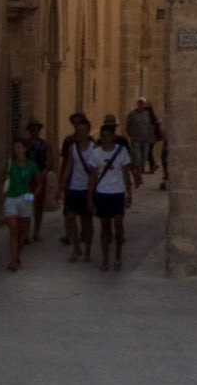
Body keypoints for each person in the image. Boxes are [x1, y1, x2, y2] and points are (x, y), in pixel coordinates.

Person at [87, 119, 136, 271]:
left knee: (119, 224)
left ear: (113, 136)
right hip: (102, 193)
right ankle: (105, 258)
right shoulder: (95, 154)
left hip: (118, 192)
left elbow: (126, 174)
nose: (105, 139)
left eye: (108, 136)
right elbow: (93, 177)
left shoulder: (121, 151)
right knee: (105, 226)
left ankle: (118, 254)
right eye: (103, 136)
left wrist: (129, 193)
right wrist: (89, 197)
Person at [59, 114, 97, 262]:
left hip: (88, 189)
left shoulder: (94, 148)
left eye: (83, 130)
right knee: (69, 217)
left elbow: (95, 170)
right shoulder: (72, 148)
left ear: (88, 131)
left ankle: (87, 250)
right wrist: (62, 184)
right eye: (78, 130)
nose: (80, 133)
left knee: (87, 221)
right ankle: (76, 248)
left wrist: (93, 190)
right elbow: (69, 166)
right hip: (74, 187)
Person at [1, 138, 40, 270]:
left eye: (18, 147)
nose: (16, 150)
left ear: (24, 149)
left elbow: (39, 183)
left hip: (25, 198)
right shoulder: (10, 164)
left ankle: (18, 256)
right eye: (14, 148)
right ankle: (13, 260)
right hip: (11, 199)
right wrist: (3, 196)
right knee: (13, 230)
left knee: (22, 232)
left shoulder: (31, 166)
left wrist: (32, 196)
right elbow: (0, 180)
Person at [23, 119, 52, 244]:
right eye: (32, 129)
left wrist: (44, 172)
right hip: (29, 180)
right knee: (28, 203)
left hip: (40, 179)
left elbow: (50, 162)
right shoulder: (26, 145)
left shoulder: (44, 145)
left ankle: (36, 231)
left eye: (36, 129)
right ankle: (27, 232)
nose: (34, 131)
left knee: (39, 205)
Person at [126, 99, 155, 179]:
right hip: (136, 137)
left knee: (144, 155)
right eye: (140, 103)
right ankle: (137, 168)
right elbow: (128, 125)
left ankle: (141, 168)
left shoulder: (147, 114)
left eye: (143, 104)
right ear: (138, 104)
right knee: (137, 155)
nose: (141, 105)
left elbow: (149, 126)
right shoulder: (132, 114)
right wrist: (130, 133)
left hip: (146, 138)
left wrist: (151, 136)